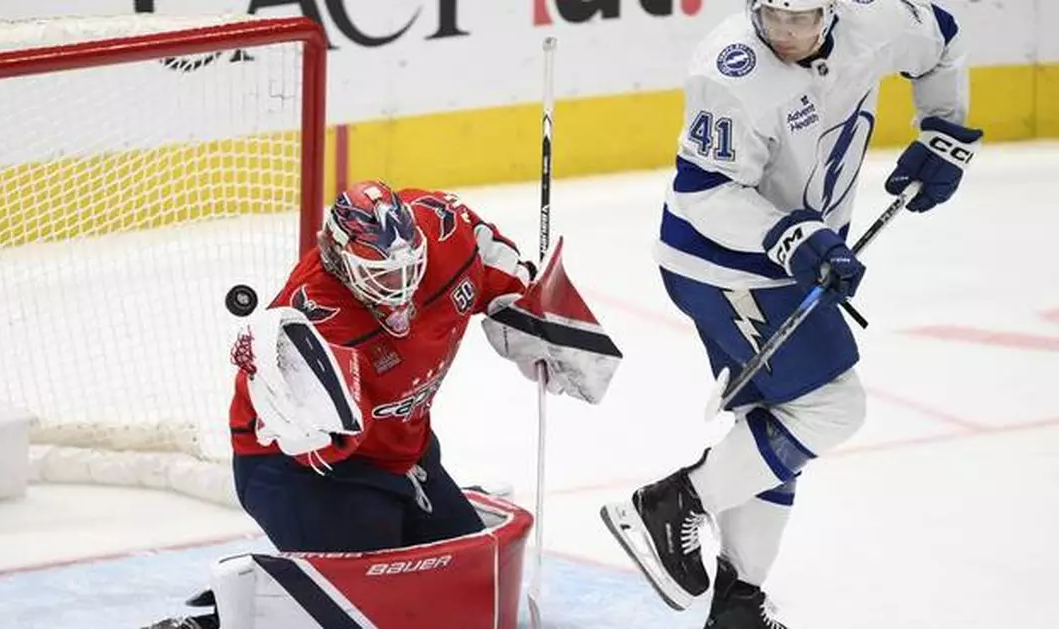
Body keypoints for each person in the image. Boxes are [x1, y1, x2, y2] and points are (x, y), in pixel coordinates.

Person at [600, 1, 980, 627]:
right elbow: (704, 196)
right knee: (832, 406)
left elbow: (942, 38)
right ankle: (669, 505)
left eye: (803, 18)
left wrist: (945, 128)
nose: (787, 33)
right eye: (774, 16)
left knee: (776, 429)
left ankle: (739, 605)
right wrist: (794, 236)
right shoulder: (729, 72)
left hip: (787, 262)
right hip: (722, 266)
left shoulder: (878, 24)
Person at [228, 179, 620, 553]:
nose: (400, 287)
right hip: (299, 473)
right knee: (379, 598)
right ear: (339, 260)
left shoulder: (445, 230)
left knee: (470, 577)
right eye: (382, 275)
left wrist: (534, 314)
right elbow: (321, 446)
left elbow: (499, 264)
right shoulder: (316, 320)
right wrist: (293, 394)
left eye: (408, 268)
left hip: (406, 452)